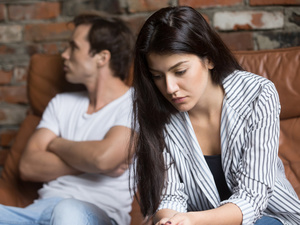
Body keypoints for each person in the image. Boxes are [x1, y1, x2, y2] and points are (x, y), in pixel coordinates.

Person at [131, 6, 300, 225]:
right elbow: (170, 196)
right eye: (157, 76)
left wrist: (192, 220)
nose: (170, 87)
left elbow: (253, 198)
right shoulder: (160, 112)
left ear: (209, 59)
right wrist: (169, 221)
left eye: (180, 71)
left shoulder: (257, 94)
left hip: (268, 218)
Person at [0, 12, 135, 225]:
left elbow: (103, 158)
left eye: (73, 47)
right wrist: (93, 162)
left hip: (96, 214)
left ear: (102, 57)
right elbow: (27, 166)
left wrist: (54, 144)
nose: (64, 55)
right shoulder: (61, 103)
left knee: (67, 210)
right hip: (39, 211)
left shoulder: (135, 104)